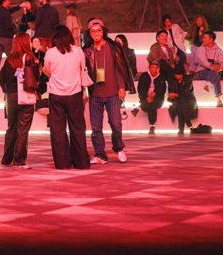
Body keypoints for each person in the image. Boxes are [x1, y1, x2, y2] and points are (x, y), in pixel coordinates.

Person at [84, 19, 132, 164]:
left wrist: (122, 86)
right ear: (89, 33)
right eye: (93, 31)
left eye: (99, 30)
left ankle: (119, 148)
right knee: (96, 127)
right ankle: (100, 155)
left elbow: (120, 68)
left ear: (103, 31)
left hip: (112, 92)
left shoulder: (113, 47)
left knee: (116, 123)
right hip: (95, 93)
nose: (96, 33)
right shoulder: (87, 50)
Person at [43, 25, 90, 169]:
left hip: (56, 94)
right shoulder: (78, 50)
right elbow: (83, 66)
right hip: (75, 93)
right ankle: (81, 162)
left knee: (58, 130)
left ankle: (62, 163)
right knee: (77, 128)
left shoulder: (50, 52)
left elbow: (47, 71)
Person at [0, 33, 38, 169]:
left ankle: (7, 159)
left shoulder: (9, 59)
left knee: (11, 128)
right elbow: (36, 78)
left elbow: (2, 78)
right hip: (25, 96)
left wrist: (7, 90)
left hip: (10, 97)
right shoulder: (29, 58)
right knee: (23, 130)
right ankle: (19, 161)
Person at [191, 31, 223, 107]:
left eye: (205, 38)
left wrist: (221, 68)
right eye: (203, 38)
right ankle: (218, 98)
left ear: (211, 39)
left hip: (215, 71)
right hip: (203, 71)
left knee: (217, 70)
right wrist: (210, 66)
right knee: (216, 72)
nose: (203, 39)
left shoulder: (219, 50)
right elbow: (202, 61)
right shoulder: (200, 49)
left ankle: (208, 85)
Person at [0, 0, 23, 72]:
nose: (9, 1)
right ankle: (13, 70)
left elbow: (9, 11)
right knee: (10, 56)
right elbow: (8, 26)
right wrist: (15, 26)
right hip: (7, 37)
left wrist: (19, 6)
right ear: (4, 2)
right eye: (8, 0)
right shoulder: (6, 13)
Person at [167, 63, 197, 134]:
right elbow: (171, 90)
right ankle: (187, 122)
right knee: (181, 103)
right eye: (176, 74)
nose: (177, 76)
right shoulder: (172, 80)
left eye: (179, 74)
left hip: (187, 99)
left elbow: (187, 92)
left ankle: (181, 127)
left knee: (181, 103)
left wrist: (176, 95)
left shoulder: (187, 80)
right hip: (177, 99)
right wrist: (171, 95)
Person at [136, 61, 166, 133]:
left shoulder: (161, 77)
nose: (154, 70)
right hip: (145, 97)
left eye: (156, 68)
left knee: (153, 104)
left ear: (159, 69)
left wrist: (155, 93)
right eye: (153, 68)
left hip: (157, 98)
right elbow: (140, 88)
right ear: (149, 68)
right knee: (151, 105)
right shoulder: (144, 76)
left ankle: (139, 107)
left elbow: (162, 90)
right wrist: (146, 96)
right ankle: (152, 125)